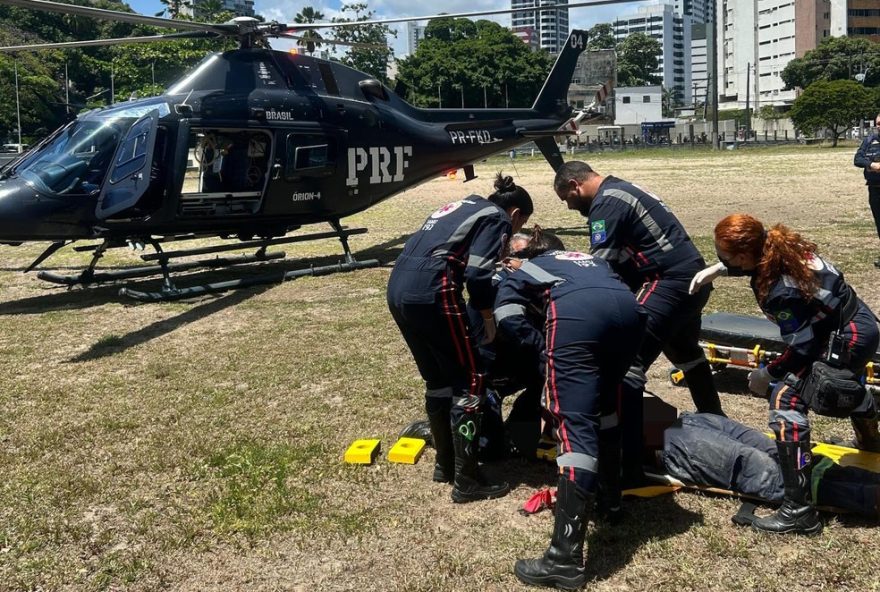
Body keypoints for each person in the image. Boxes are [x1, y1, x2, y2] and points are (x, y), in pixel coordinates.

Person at [690, 214, 880, 535]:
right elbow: (758, 265)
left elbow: (802, 347)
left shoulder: (781, 291)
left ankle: (799, 510)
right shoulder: (778, 246)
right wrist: (720, 270)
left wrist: (768, 372)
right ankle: (871, 441)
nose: (722, 260)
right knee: (842, 383)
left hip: (844, 337)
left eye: (725, 256)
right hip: (856, 322)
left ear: (744, 255)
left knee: (785, 397)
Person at [552, 161, 724, 486]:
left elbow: (601, 266)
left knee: (624, 365)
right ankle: (717, 425)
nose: (571, 207)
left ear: (574, 184)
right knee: (687, 354)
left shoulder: (607, 203)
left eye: (567, 198)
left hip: (668, 282)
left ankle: (627, 464)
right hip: (691, 281)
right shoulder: (622, 190)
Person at [493, 228, 646, 589]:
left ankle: (564, 558)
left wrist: (542, 350)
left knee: (573, 428)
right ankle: (611, 504)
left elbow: (507, 314)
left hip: (578, 319)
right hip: (630, 314)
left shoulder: (528, 268)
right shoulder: (588, 259)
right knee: (605, 406)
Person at [387, 173, 532, 503]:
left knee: (437, 379)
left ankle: (446, 464)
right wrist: (485, 313)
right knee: (471, 381)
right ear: (515, 215)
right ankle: (468, 481)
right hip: (432, 290)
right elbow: (478, 273)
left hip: (398, 288)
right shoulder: (496, 218)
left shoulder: (464, 205)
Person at [853, 113, 880, 268]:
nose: (879, 126)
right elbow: (857, 159)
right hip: (875, 190)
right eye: (878, 123)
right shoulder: (869, 141)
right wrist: (871, 165)